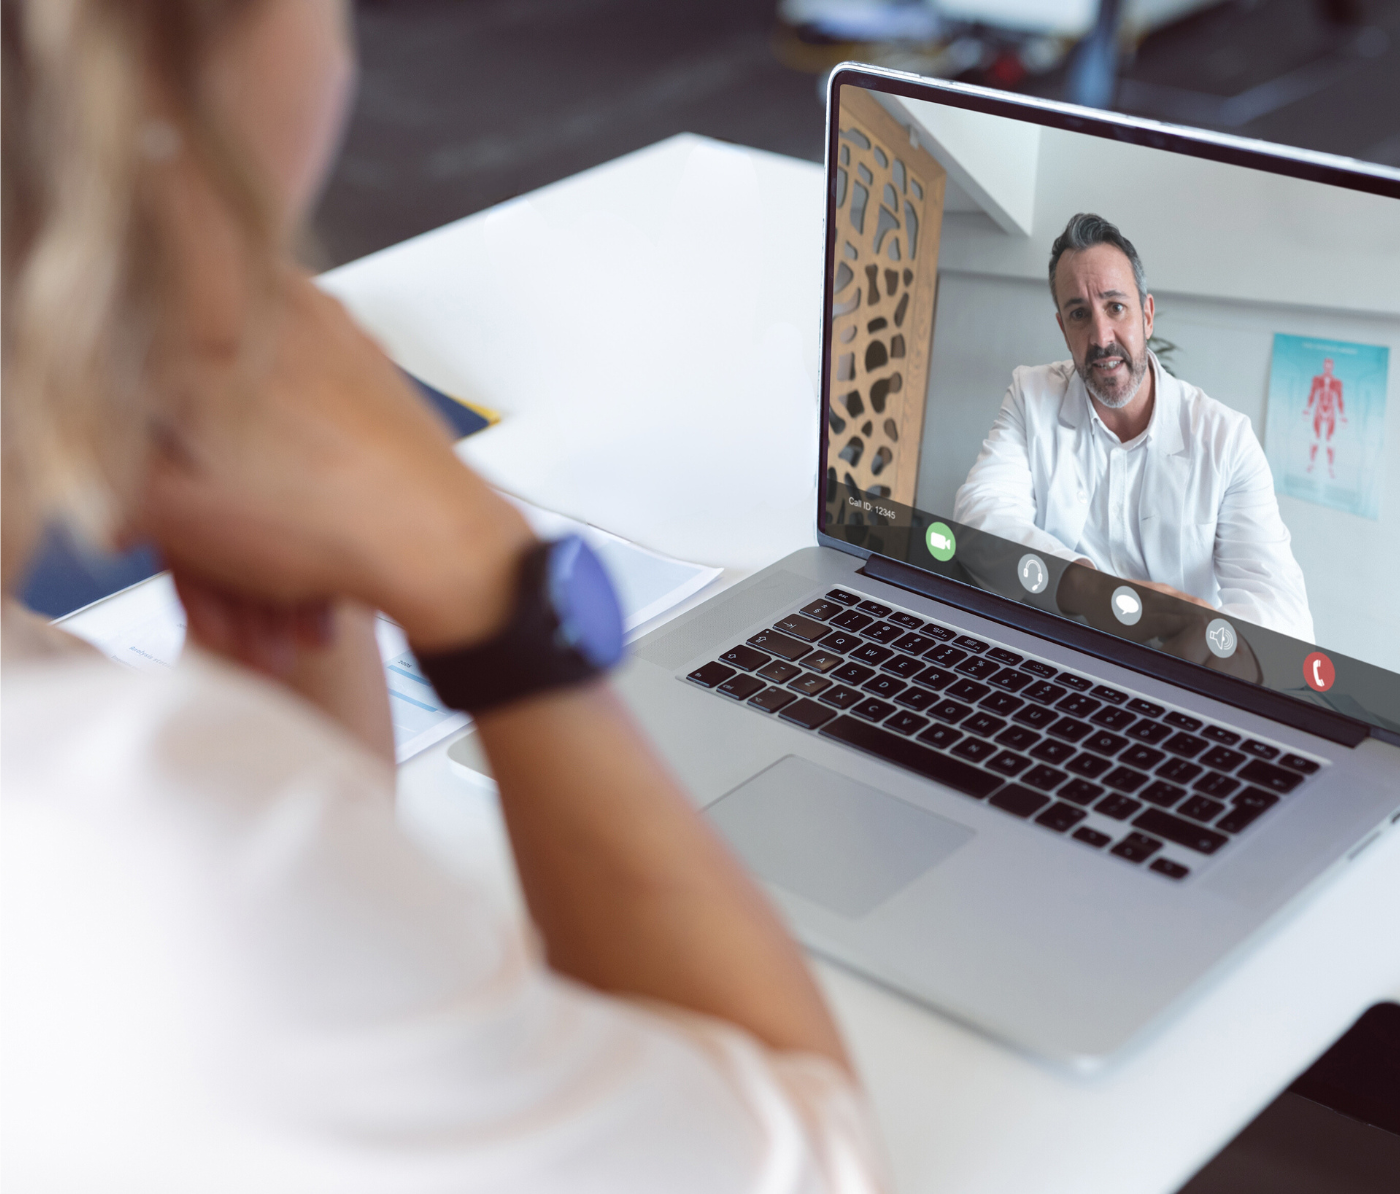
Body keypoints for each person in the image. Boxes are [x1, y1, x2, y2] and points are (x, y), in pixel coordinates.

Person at [0, 1, 882, 1188]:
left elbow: (308, 947)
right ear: (161, 95)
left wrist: (288, 682)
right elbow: (812, 1162)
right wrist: (494, 600)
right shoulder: (147, 854)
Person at [952, 213, 1314, 643]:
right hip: (1051, 656)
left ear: (1147, 315)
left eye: (1116, 307)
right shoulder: (1030, 395)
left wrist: (1215, 641)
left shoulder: (1226, 440)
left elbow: (1284, 613)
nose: (1101, 336)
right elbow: (979, 520)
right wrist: (1092, 591)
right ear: (1064, 330)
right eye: (1079, 314)